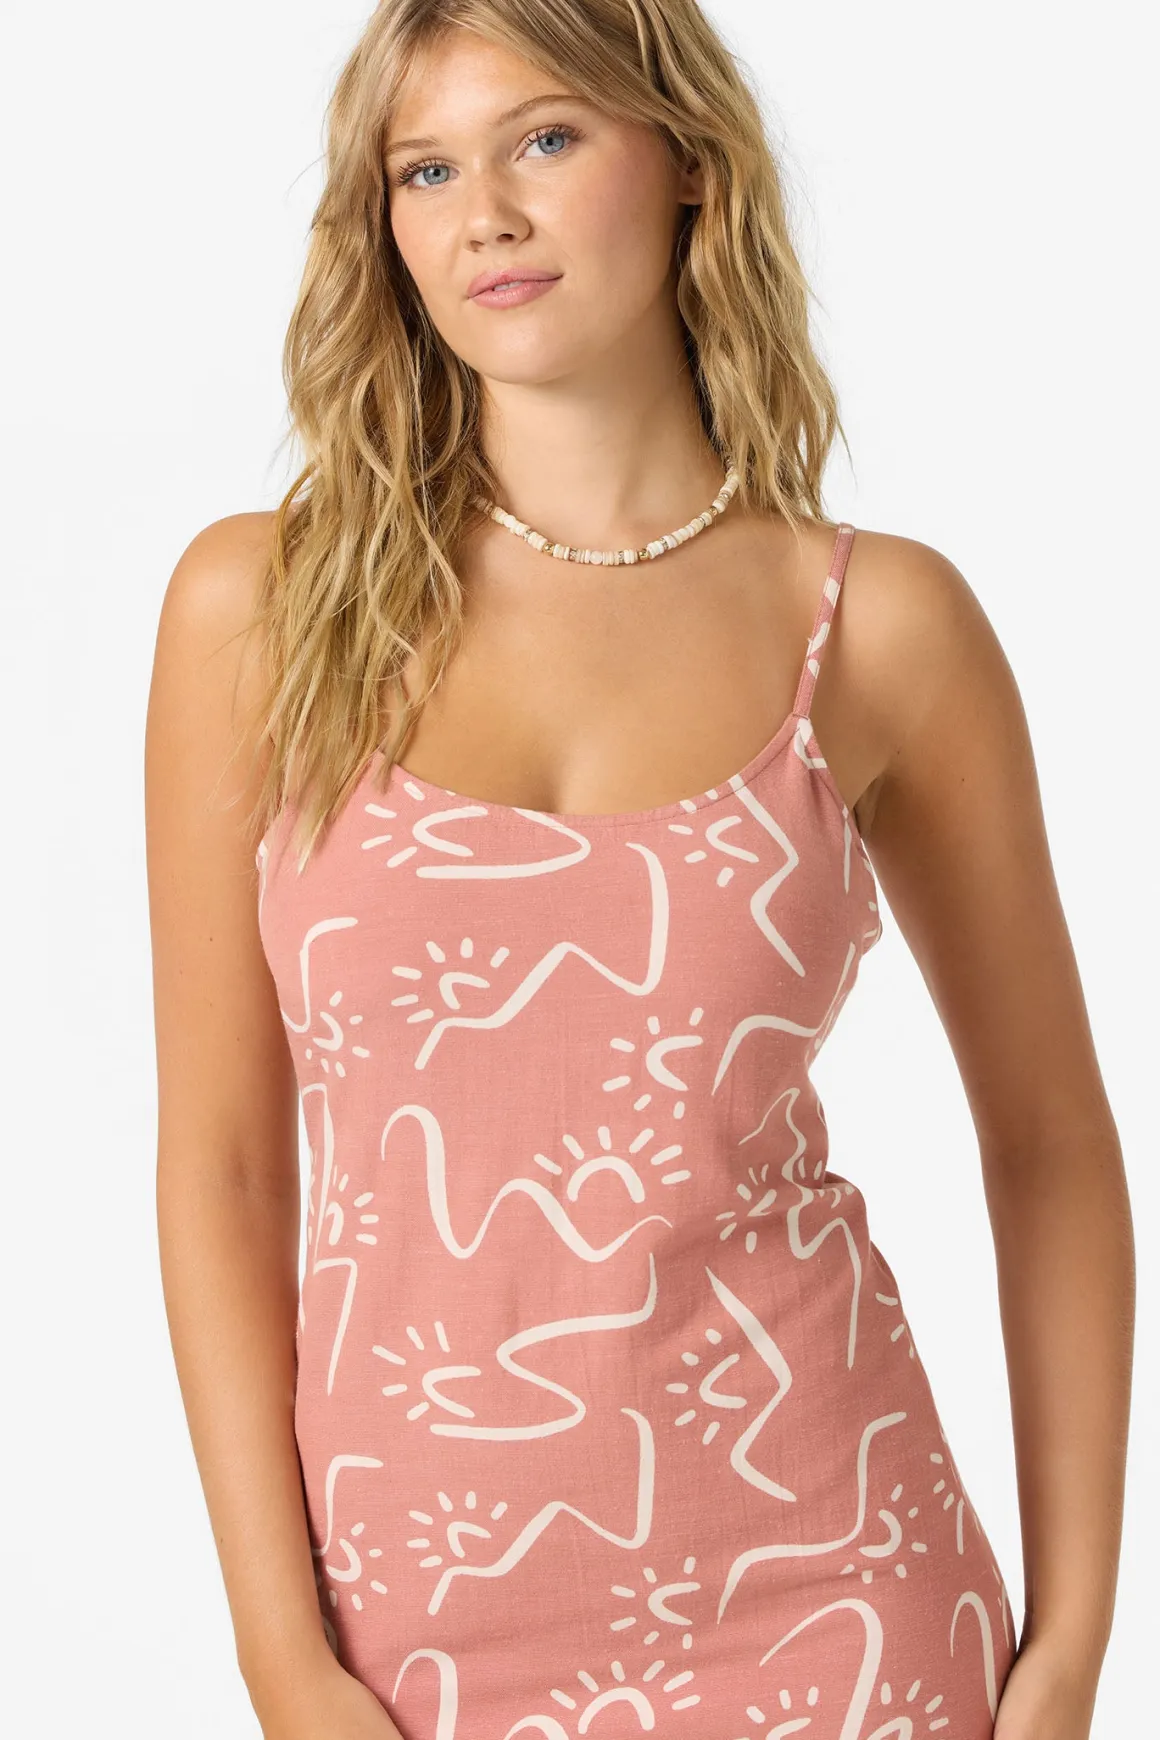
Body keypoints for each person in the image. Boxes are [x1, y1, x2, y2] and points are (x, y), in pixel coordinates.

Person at [144, 3, 1133, 1737]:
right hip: (411, 1638)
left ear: (686, 163)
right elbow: (223, 1165)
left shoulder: (877, 630)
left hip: (842, 1601)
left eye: (544, 140)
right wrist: (280, 1658)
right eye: (424, 171)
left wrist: (1068, 1652)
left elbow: (1051, 1144)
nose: (484, 217)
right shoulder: (264, 611)